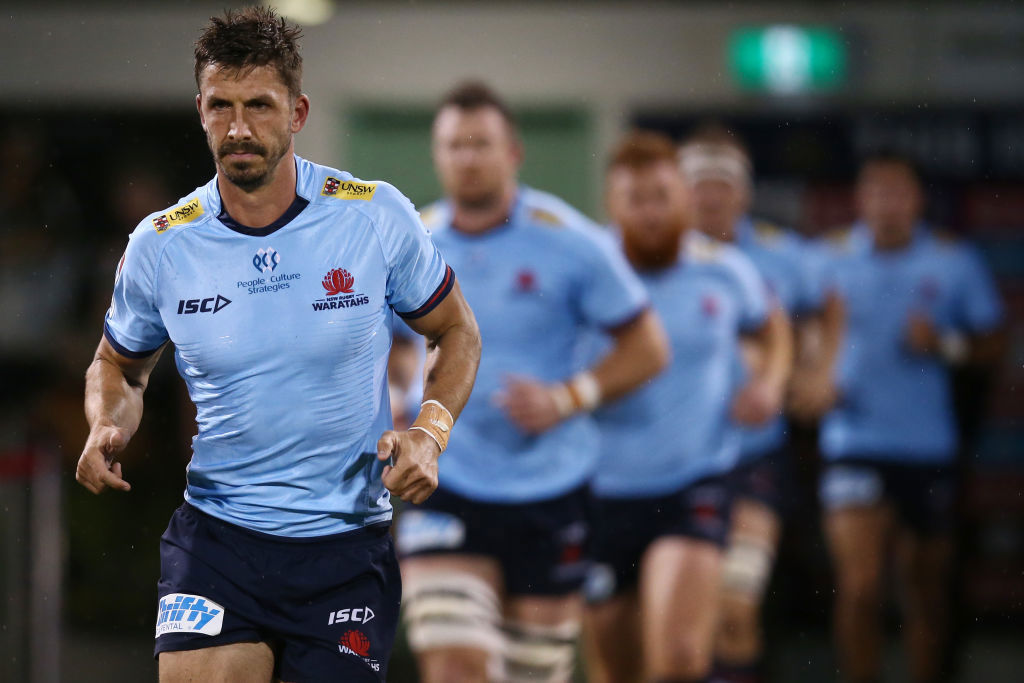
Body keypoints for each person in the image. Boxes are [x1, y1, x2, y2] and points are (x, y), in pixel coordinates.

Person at [74, 8, 480, 682]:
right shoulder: (161, 244)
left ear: (297, 112)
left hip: (345, 547)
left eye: (259, 105)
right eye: (220, 106)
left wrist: (429, 432)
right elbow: (120, 363)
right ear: (199, 111)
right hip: (218, 541)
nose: (238, 128)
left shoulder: (373, 216)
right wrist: (105, 422)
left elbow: (456, 330)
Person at [392, 83, 669, 683]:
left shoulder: (569, 240)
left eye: (481, 143)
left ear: (513, 152)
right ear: (437, 155)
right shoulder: (412, 241)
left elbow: (648, 346)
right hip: (446, 482)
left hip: (552, 489)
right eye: (453, 145)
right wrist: (392, 403)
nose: (467, 157)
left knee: (532, 674)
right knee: (458, 666)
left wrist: (570, 397)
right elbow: (382, 345)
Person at [582, 131, 787, 683]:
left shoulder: (725, 268)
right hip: (599, 492)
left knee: (679, 661)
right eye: (635, 199)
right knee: (616, 669)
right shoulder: (584, 269)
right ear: (612, 205)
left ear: (682, 197)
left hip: (694, 484)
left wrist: (769, 381)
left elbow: (771, 328)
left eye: (661, 196)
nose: (650, 212)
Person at [814, 152, 1004, 683]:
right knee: (860, 585)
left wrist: (944, 343)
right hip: (852, 441)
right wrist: (813, 371)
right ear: (859, 199)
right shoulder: (828, 259)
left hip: (927, 447)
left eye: (897, 192)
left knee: (923, 591)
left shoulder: (952, 261)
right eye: (875, 192)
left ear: (917, 200)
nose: (886, 204)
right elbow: (788, 327)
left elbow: (994, 341)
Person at [676, 126, 836, 682]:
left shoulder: (782, 255)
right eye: (699, 184)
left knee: (734, 610)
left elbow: (826, 306)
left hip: (752, 461)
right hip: (664, 468)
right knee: (672, 626)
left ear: (743, 193)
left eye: (723, 185)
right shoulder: (645, 253)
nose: (710, 197)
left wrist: (815, 369)